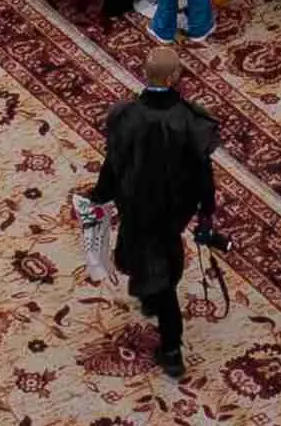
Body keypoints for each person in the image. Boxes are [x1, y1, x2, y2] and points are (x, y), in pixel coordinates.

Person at [87, 44, 221, 381]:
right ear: (175, 76)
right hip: (171, 212)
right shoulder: (191, 121)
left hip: (133, 204)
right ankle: (170, 347)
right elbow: (204, 175)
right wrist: (206, 212)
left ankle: (164, 327)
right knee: (162, 268)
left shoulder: (125, 115)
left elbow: (113, 162)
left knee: (144, 257)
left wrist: (100, 195)